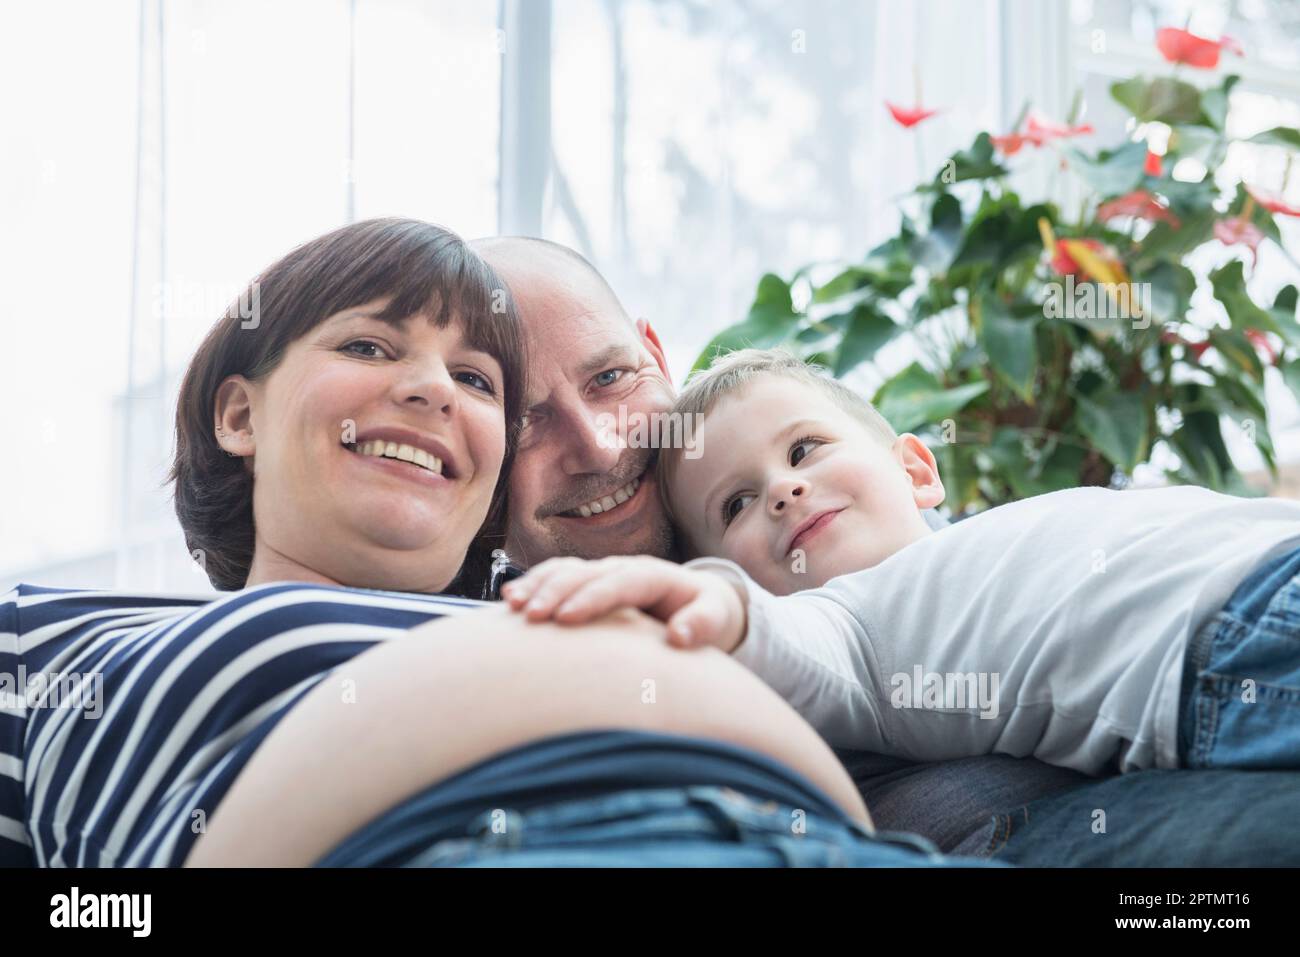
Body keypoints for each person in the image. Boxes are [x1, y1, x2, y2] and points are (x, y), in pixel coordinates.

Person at [0, 219, 991, 868]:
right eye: (368, 347)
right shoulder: (52, 638)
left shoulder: (766, 552)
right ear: (238, 413)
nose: (434, 389)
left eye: (476, 382)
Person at [507, 346, 1300, 778]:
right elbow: (787, 651)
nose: (782, 489)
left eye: (805, 449)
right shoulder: (844, 626)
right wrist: (718, 607)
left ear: (917, 470)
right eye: (735, 505)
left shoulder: (987, 533)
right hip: (1229, 654)